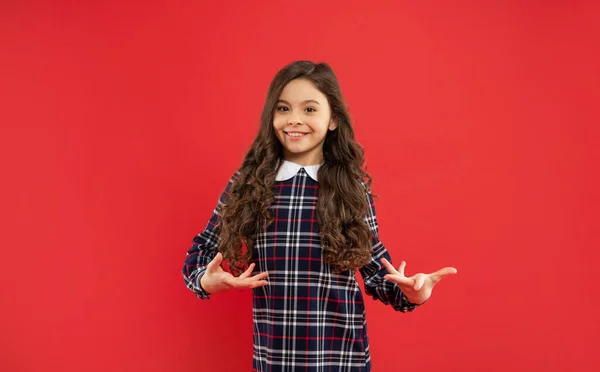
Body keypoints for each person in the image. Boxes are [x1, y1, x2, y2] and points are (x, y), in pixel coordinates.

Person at [182, 60, 457, 372]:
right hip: (274, 360)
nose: (294, 120)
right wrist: (205, 279)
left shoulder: (350, 189)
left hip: (341, 360)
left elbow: (378, 272)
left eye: (309, 109)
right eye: (283, 108)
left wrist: (413, 293)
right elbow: (200, 252)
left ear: (333, 119)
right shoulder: (249, 184)